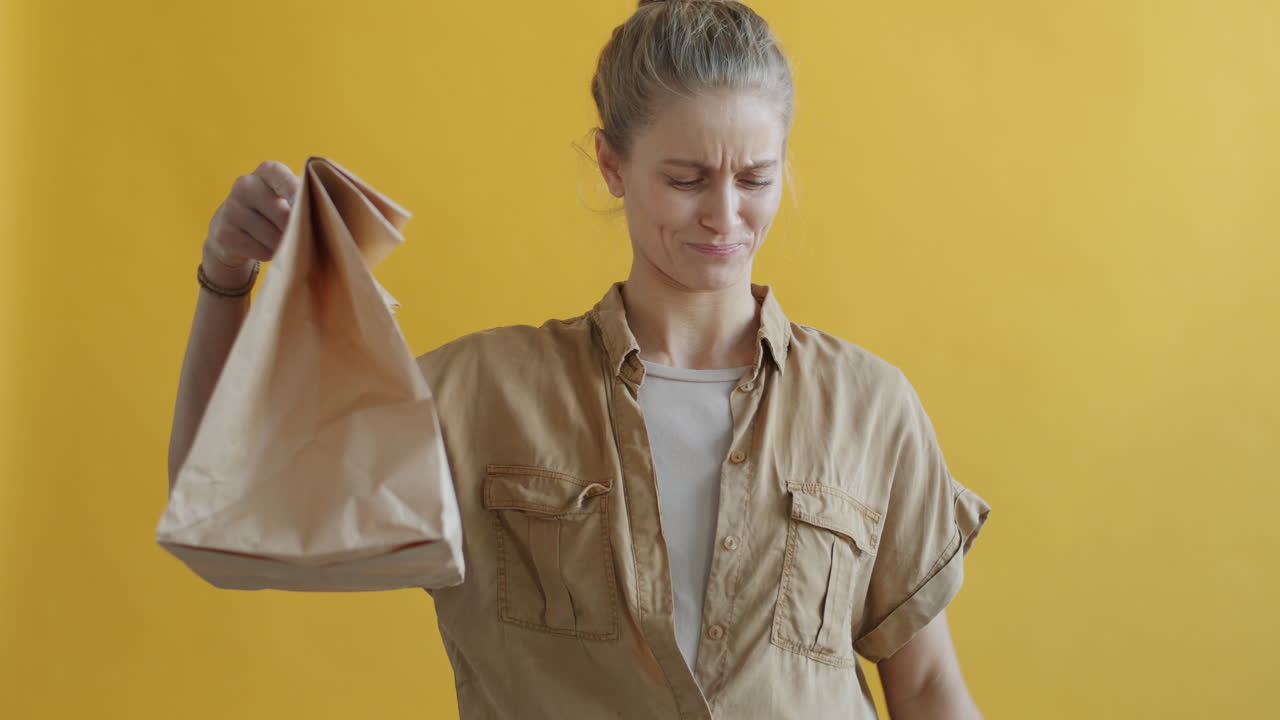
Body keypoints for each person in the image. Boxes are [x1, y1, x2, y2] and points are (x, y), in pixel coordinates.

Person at [168, 1, 991, 718]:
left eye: (756, 177)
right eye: (686, 177)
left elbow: (926, 693)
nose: (724, 213)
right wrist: (227, 278)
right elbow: (222, 504)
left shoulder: (869, 406)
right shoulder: (482, 396)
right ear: (612, 165)